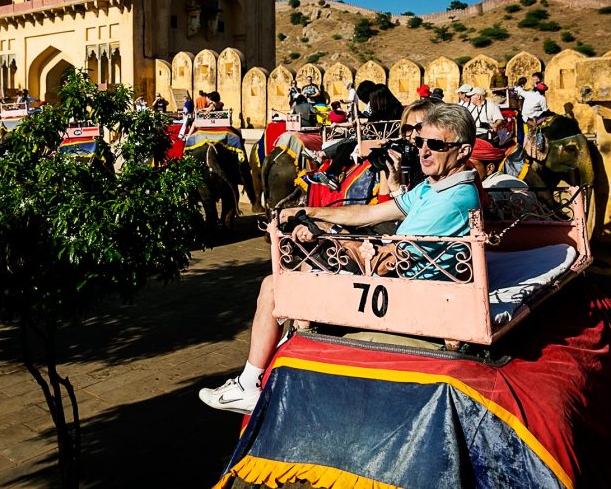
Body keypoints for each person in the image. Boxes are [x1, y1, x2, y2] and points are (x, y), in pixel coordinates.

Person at [199, 104, 479, 414]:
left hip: (406, 296)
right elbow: (371, 212)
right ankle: (270, 363)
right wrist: (311, 213)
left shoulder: (449, 201)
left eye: (436, 145)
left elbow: (387, 262)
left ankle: (248, 382)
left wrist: (330, 235)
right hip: (404, 282)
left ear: (463, 150)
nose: (424, 152)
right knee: (306, 265)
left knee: (275, 285)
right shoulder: (434, 187)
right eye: (420, 142)